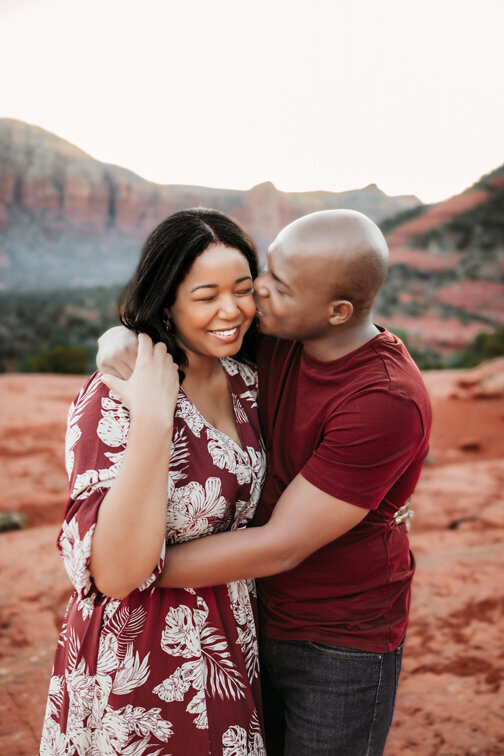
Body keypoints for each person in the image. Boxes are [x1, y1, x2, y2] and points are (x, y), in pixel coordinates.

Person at [97, 209, 432, 756]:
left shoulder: (384, 400)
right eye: (264, 273)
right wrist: (115, 337)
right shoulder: (281, 334)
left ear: (337, 311)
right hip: (246, 615)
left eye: (277, 285)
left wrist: (124, 571)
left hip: (337, 639)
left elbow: (282, 545)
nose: (257, 295)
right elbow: (176, 321)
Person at [40, 209, 268, 755]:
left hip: (231, 647)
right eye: (206, 295)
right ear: (167, 299)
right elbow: (114, 572)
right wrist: (153, 414)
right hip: (137, 662)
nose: (230, 310)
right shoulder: (114, 393)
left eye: (243, 290)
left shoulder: (249, 380)